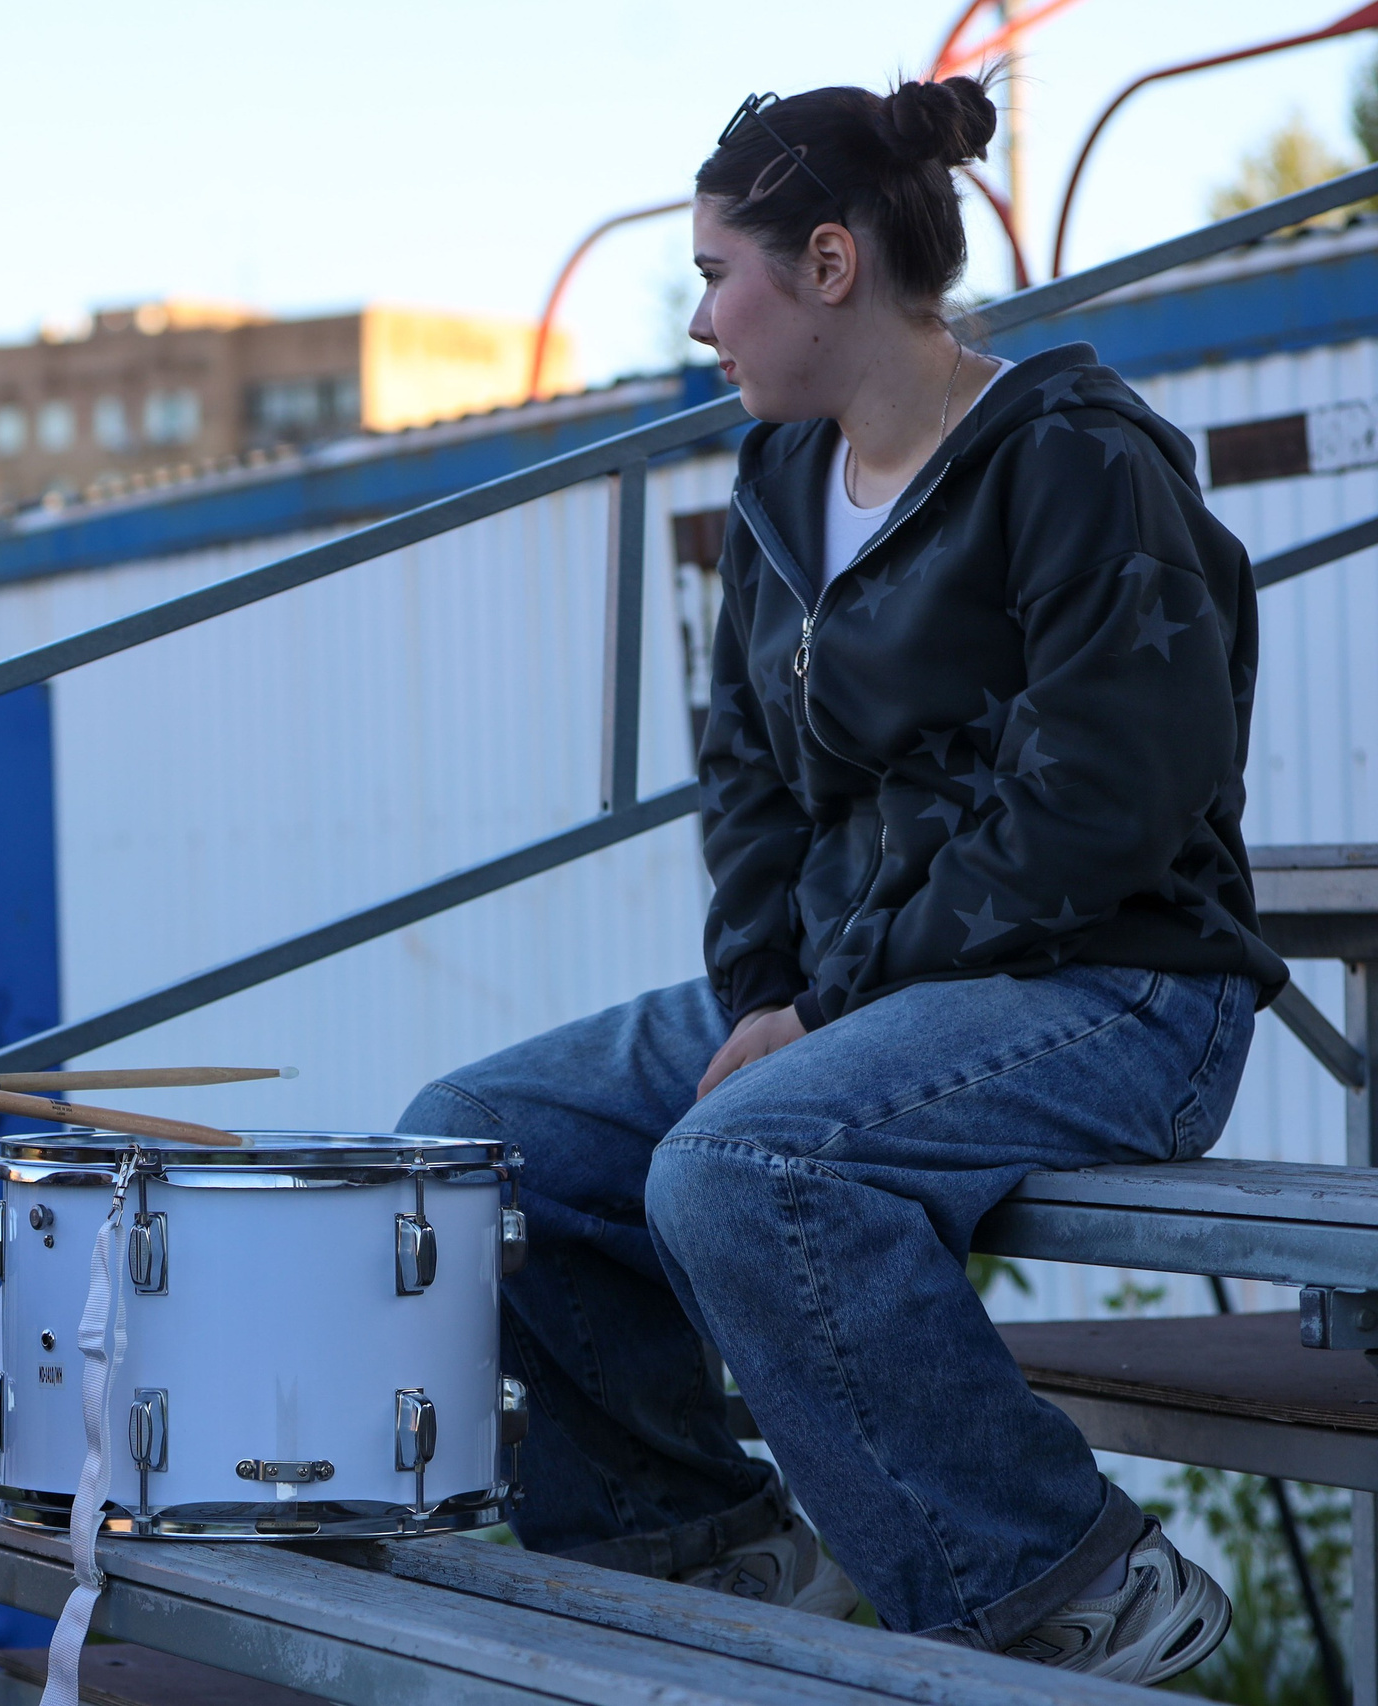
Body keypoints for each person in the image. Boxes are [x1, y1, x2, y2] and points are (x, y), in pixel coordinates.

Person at [399, 76, 1282, 1683]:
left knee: (741, 1166)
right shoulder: (776, 492)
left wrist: (829, 1005)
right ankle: (701, 1538)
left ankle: (1068, 1587)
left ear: (827, 265)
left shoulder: (1076, 461)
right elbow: (747, 782)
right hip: (852, 985)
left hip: (1120, 983)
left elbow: (1103, 803)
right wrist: (766, 994)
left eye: (715, 274)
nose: (698, 319)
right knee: (479, 1145)